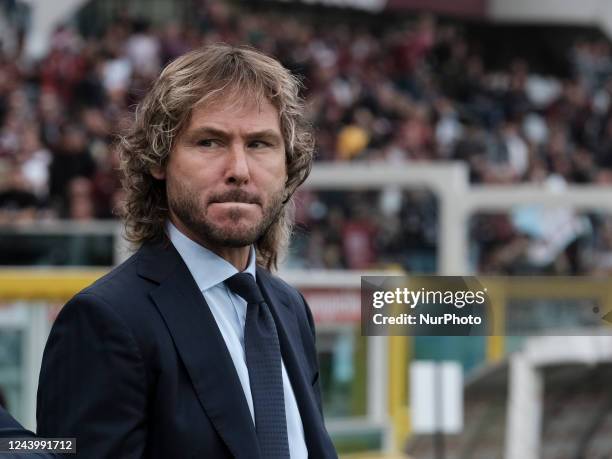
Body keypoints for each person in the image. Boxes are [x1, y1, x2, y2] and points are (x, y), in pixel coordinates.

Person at [36, 44, 337, 459]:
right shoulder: (106, 320)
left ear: (289, 164)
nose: (239, 169)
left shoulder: (290, 308)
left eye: (260, 144)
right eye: (209, 142)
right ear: (159, 159)